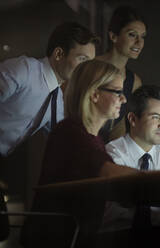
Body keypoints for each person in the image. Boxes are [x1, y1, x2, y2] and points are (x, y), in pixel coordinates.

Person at [21, 60, 139, 248]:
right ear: (94, 94)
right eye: (117, 92)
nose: (124, 99)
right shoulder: (69, 132)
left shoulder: (94, 138)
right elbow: (108, 172)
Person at [0, 21, 99, 157]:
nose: (86, 69)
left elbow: (64, 142)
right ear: (58, 54)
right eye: (82, 59)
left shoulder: (56, 100)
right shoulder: (24, 70)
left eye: (90, 63)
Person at [104, 85, 160, 247]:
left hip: (159, 236)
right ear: (133, 119)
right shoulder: (113, 154)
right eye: (156, 117)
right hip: (116, 236)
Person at [97, 5, 147, 142]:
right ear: (113, 36)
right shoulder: (90, 68)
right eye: (132, 35)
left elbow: (119, 129)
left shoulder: (134, 82)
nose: (139, 42)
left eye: (142, 37)